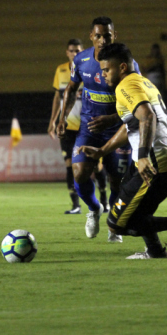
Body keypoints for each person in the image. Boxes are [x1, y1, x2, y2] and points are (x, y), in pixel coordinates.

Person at [80, 43, 167, 259]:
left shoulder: (126, 86)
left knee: (117, 224)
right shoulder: (142, 82)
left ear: (121, 68)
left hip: (155, 163)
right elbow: (133, 123)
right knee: (140, 212)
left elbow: (147, 116)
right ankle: (155, 251)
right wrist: (102, 151)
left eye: (106, 69)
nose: (103, 74)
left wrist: (145, 156)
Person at [57, 17, 141, 243]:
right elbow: (71, 88)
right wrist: (61, 117)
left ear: (115, 35)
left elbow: (139, 104)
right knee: (80, 172)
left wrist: (112, 118)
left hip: (118, 131)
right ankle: (94, 209)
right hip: (89, 128)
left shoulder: (127, 64)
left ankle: (113, 223)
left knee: (116, 180)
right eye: (99, 35)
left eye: (107, 35)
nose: (103, 39)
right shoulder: (81, 60)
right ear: (91, 37)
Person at [49, 39, 86, 214]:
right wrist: (53, 122)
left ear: (82, 51)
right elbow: (58, 98)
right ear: (67, 52)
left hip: (86, 126)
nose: (74, 53)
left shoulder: (89, 69)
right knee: (69, 164)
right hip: (67, 126)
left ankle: (104, 201)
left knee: (95, 165)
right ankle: (75, 205)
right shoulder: (61, 70)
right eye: (71, 51)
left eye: (77, 50)